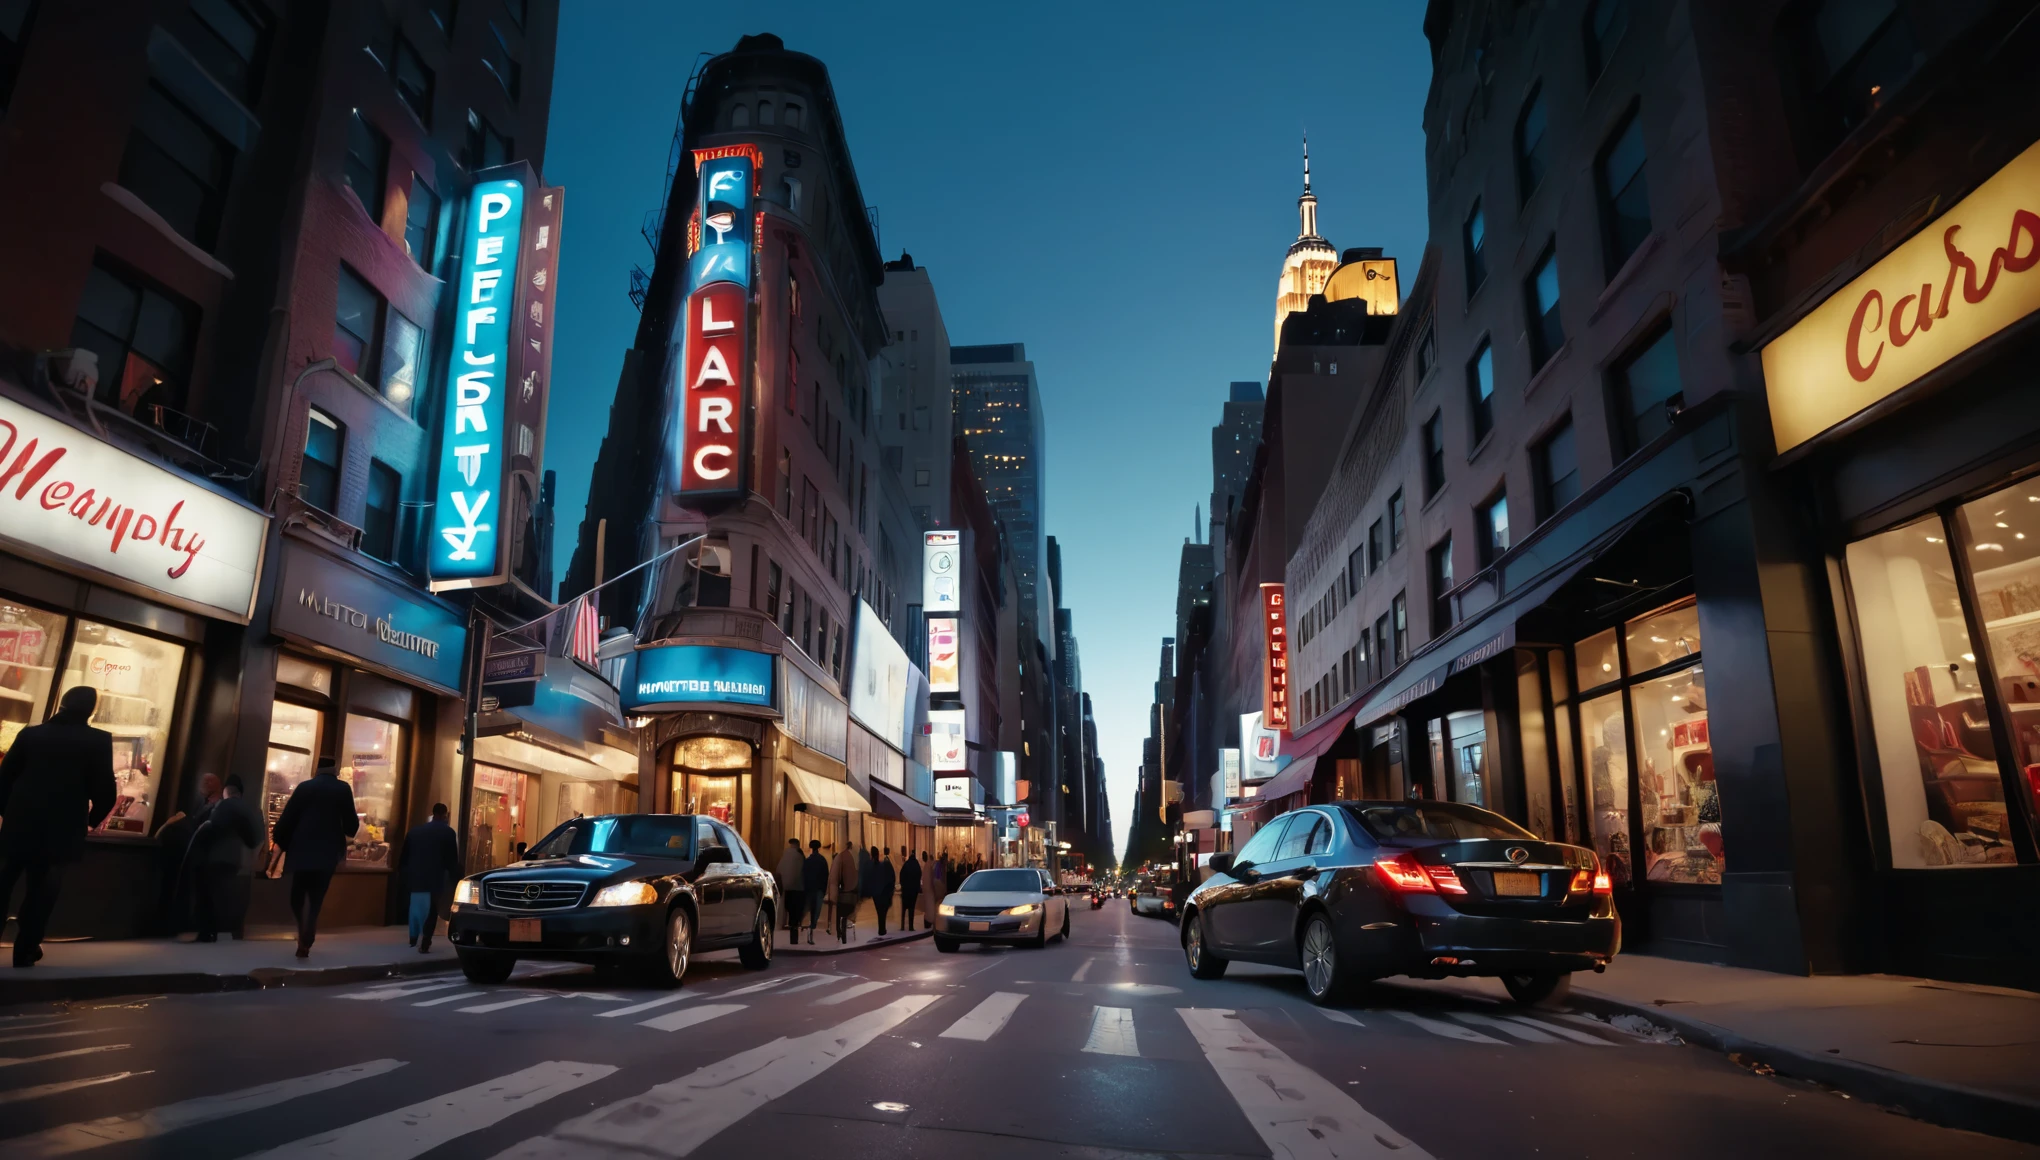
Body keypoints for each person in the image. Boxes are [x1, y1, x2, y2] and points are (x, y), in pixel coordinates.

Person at [0, 687, 117, 967]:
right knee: (42, 894)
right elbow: (105, 791)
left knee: (2, 884)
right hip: (61, 831)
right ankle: (26, 949)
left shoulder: (31, 734)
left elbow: (4, 778)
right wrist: (90, 821)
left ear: (62, 704)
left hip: (19, 825)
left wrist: (8, 812)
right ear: (91, 710)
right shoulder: (98, 741)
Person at [270, 756, 358, 958]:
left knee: (297, 896)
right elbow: (351, 823)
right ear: (335, 769)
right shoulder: (342, 789)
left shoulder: (304, 788)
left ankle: (302, 929)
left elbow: (288, 818)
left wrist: (280, 841)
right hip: (328, 851)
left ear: (317, 769)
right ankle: (310, 927)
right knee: (317, 897)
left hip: (301, 849)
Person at [191, 774, 262, 942]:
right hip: (234, 858)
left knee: (207, 893)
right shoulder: (246, 808)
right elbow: (254, 836)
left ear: (226, 790)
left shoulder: (225, 806)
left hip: (216, 856)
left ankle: (207, 931)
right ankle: (221, 930)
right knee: (222, 894)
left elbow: (213, 826)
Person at [397, 803, 461, 952]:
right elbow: (452, 860)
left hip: (416, 877)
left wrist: (404, 875)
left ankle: (413, 938)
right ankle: (425, 941)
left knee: (415, 908)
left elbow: (404, 857)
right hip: (436, 877)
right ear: (445, 814)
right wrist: (456, 877)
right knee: (432, 910)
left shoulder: (414, 831)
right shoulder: (449, 833)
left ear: (433, 814)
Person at [774, 838, 805, 939]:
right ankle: (794, 928)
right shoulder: (800, 855)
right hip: (798, 887)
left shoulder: (785, 855)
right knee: (795, 909)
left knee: (787, 906)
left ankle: (788, 925)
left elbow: (779, 870)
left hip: (787, 887)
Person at [800, 839, 828, 944]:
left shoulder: (808, 860)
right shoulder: (822, 860)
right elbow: (826, 875)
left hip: (809, 888)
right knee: (815, 912)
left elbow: (804, 875)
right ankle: (811, 931)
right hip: (819, 889)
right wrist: (824, 889)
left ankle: (807, 931)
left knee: (808, 910)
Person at [832, 841, 859, 942]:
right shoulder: (852, 861)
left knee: (839, 915)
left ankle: (840, 934)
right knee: (844, 916)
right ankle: (842, 935)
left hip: (843, 896)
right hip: (850, 896)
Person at [872, 846, 896, 937]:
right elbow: (891, 877)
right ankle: (882, 929)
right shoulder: (885, 864)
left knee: (880, 911)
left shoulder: (874, 866)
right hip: (883, 892)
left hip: (878, 893)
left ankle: (881, 929)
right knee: (882, 911)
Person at [899, 850, 922, 931]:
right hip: (913, 890)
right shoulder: (916, 864)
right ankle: (911, 926)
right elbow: (919, 875)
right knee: (911, 908)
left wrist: (903, 886)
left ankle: (902, 926)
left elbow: (901, 875)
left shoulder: (906, 864)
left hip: (906, 890)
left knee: (904, 908)